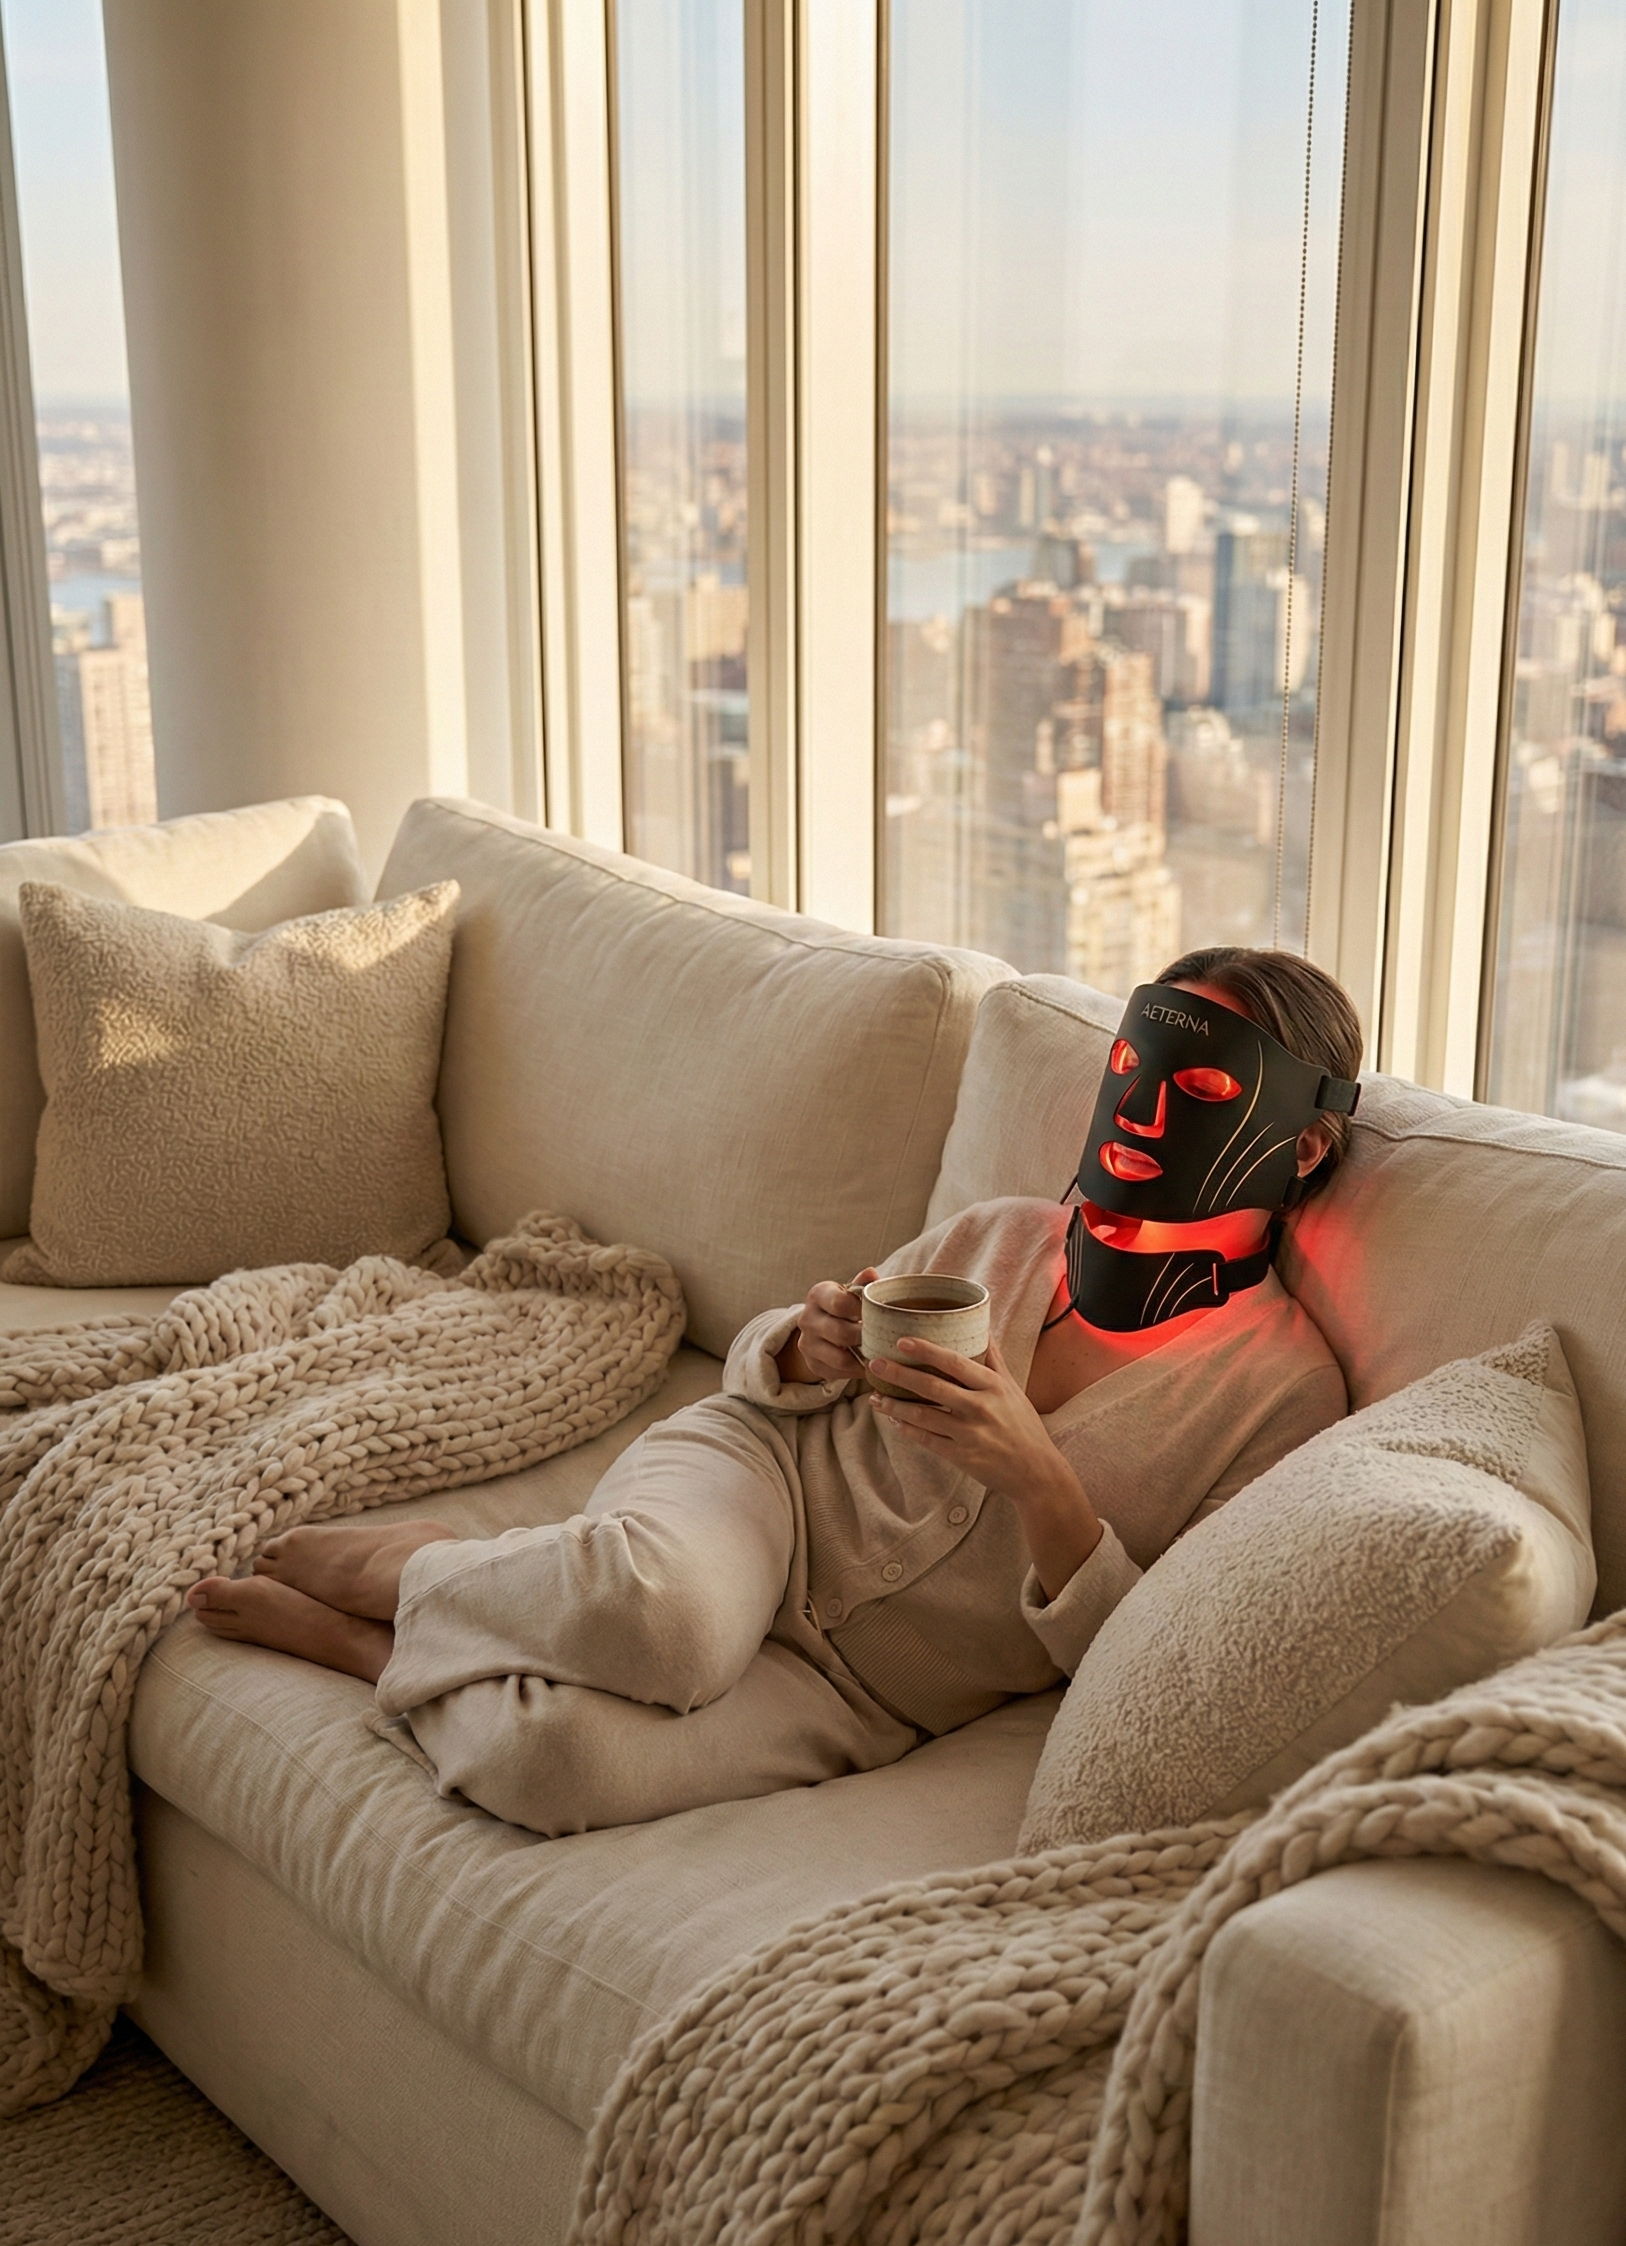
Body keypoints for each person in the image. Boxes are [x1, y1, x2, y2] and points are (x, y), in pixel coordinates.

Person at [188, 945, 1362, 1837]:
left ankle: (368, 1645)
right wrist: (812, 1342)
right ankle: (412, 1568)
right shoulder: (1002, 1236)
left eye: (1200, 1082)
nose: (1148, 1110)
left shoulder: (1282, 1399)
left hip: (860, 1690)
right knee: (666, 1620)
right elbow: (776, 1368)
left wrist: (1039, 1475)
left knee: (548, 1765)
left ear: (1301, 1145)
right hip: (755, 1481)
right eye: (1129, 1068)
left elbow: (1158, 1664)